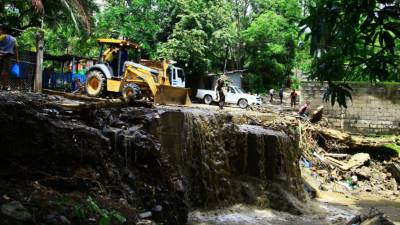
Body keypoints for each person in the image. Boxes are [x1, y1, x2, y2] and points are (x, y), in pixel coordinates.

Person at [0, 25, 18, 90]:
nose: (0, 31)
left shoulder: (2, 36)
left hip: (1, 55)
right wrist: (17, 59)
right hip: (9, 57)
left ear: (5, 31)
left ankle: (1, 85)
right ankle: (5, 85)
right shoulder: (14, 39)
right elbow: (16, 50)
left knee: (2, 71)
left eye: (1, 30)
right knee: (6, 71)